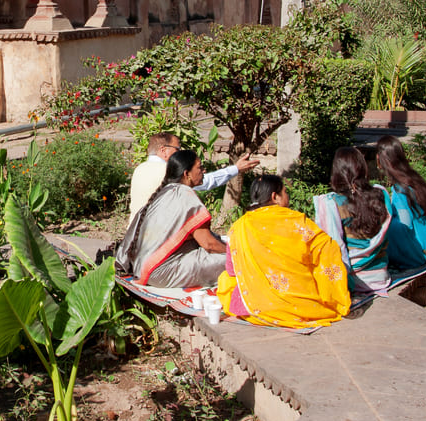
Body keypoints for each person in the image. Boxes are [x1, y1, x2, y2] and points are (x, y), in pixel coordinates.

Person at [217, 175, 350, 328]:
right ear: (275, 197)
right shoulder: (298, 222)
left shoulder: (238, 227)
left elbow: (232, 271)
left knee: (225, 280)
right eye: (285, 192)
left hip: (256, 305)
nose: (288, 196)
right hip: (301, 304)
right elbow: (328, 249)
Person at [116, 150, 226, 287]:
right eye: (199, 167)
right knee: (235, 260)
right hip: (161, 272)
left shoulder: (167, 191)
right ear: (187, 174)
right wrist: (234, 252)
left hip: (144, 267)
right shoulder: (185, 195)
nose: (203, 171)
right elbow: (208, 244)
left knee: (220, 242)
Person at [127, 131, 258, 226]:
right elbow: (204, 181)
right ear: (163, 150)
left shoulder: (140, 168)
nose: (180, 152)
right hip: (154, 239)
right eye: (177, 149)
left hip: (134, 235)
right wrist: (236, 168)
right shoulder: (167, 171)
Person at [313, 147, 392, 294]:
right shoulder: (381, 193)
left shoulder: (331, 203)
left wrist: (344, 283)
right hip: (380, 275)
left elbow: (334, 247)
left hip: (354, 280)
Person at [373, 135, 426, 270]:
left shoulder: (400, 190)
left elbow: (403, 225)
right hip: (425, 245)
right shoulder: (413, 179)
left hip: (416, 252)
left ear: (379, 159)